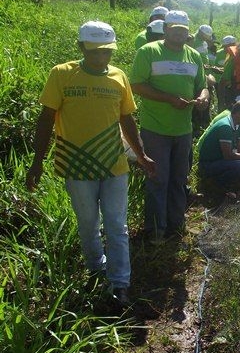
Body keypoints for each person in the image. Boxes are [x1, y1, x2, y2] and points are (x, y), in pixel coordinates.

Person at [25, 21, 155, 307]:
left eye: (106, 51)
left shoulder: (118, 77)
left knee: (117, 225)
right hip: (77, 165)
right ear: (81, 47)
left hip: (114, 164)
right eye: (95, 51)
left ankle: (120, 283)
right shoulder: (61, 75)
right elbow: (46, 119)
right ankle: (96, 268)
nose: (101, 57)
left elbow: (127, 120)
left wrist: (141, 155)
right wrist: (37, 163)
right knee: (87, 224)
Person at [130, 10, 209, 243]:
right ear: (165, 30)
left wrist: (203, 97)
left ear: (188, 32)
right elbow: (136, 85)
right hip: (155, 129)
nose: (179, 34)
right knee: (158, 178)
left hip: (183, 129)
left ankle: (177, 225)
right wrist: (168, 98)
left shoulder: (193, 56)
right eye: (174, 29)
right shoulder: (148, 52)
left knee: (179, 178)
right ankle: (156, 230)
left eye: (183, 30)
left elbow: (201, 86)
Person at [197, 100, 240, 189]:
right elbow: (228, 156)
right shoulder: (225, 127)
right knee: (239, 165)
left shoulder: (238, 124)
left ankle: (230, 182)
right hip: (208, 164)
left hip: (219, 159)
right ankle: (215, 184)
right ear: (238, 113)